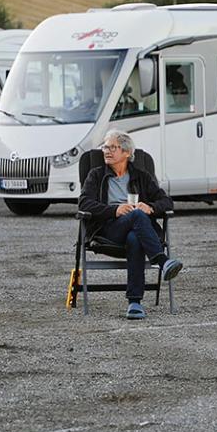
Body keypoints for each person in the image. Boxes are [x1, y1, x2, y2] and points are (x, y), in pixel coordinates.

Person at [78, 129, 183, 320]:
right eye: (105, 147)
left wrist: (150, 207)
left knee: (135, 237)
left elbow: (167, 202)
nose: (106, 151)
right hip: (107, 230)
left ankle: (135, 303)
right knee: (136, 215)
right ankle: (162, 261)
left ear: (126, 152)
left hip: (138, 230)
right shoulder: (96, 175)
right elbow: (84, 203)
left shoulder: (141, 176)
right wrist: (114, 210)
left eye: (112, 147)